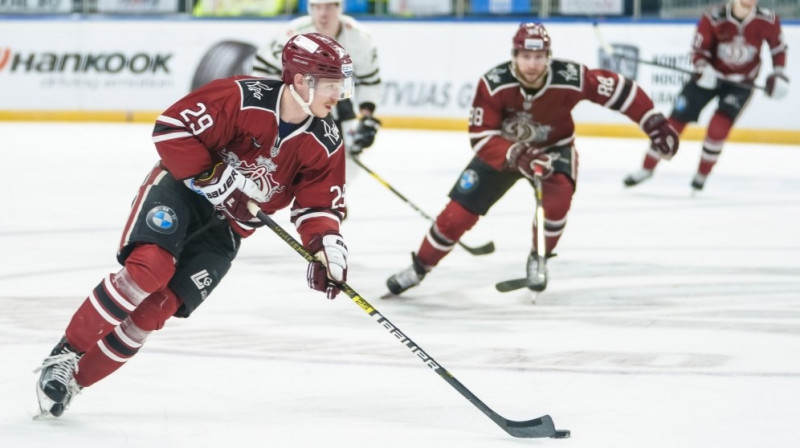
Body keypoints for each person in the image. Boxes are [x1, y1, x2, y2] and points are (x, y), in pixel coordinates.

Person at [34, 33, 354, 418]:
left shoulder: (326, 139)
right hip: (183, 193)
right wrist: (214, 176)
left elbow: (318, 205)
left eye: (342, 84)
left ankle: (72, 381)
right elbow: (171, 128)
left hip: (229, 229)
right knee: (149, 270)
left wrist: (326, 246)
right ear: (302, 81)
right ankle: (65, 353)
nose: (339, 95)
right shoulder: (239, 96)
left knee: (157, 309)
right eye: (333, 85)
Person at [385, 22, 680, 296]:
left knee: (558, 200)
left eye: (539, 57)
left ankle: (539, 258)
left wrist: (653, 122)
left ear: (549, 57)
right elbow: (481, 135)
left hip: (554, 149)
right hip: (504, 151)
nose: (532, 64)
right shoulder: (493, 84)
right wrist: (516, 154)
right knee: (455, 217)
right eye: (526, 56)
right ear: (514, 56)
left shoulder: (571, 78)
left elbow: (620, 89)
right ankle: (419, 267)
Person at [623, 0, 788, 191]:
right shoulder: (713, 17)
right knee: (673, 125)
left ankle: (702, 175)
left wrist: (779, 73)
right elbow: (698, 49)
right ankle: (647, 168)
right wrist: (702, 66)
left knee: (718, 129)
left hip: (740, 84)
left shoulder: (768, 20)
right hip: (707, 79)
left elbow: (778, 48)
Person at [252, 0, 382, 162]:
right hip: (297, 101)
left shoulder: (359, 37)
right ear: (310, 8)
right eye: (317, 7)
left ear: (339, 7)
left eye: (329, 6)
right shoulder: (293, 33)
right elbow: (264, 69)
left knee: (348, 162)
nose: (323, 13)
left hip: (336, 101)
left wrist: (366, 116)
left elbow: (369, 79)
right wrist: (274, 105)